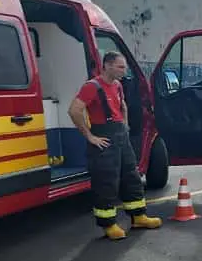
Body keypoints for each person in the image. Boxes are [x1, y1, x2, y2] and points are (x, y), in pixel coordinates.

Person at [68, 52, 162, 240]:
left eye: (124, 67)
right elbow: (74, 110)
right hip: (104, 140)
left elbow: (123, 106)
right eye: (120, 67)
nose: (124, 71)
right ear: (107, 66)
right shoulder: (92, 87)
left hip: (121, 138)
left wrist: (124, 125)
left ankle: (138, 217)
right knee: (106, 182)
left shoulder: (118, 85)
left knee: (131, 176)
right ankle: (109, 225)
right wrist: (90, 136)